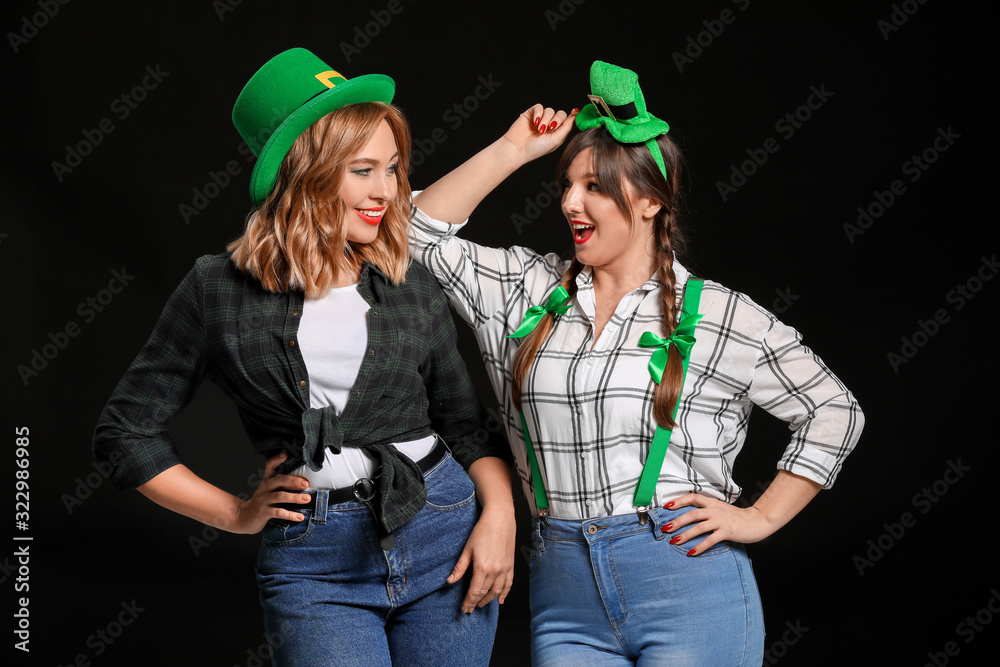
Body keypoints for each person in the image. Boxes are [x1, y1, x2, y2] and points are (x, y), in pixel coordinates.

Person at [409, 60, 865, 665]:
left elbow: (834, 409)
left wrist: (758, 517)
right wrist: (513, 149)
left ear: (651, 201)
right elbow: (413, 233)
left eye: (595, 186)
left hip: (689, 588)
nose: (571, 201)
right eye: (567, 184)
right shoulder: (521, 287)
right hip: (563, 595)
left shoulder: (718, 314)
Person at [93, 48, 515, 667]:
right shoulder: (217, 289)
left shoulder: (409, 278)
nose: (387, 193)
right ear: (307, 173)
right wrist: (236, 514)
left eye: (393, 169)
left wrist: (499, 517)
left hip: (443, 533)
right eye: (363, 171)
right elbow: (126, 431)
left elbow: (465, 423)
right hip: (315, 562)